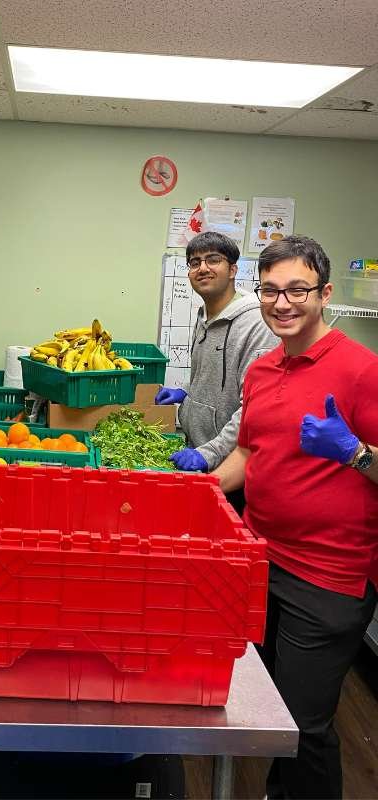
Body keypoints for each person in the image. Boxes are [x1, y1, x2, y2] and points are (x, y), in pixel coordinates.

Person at [213, 235, 378, 800]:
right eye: (271, 291)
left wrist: (355, 453)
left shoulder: (362, 370)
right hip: (261, 562)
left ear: (325, 293)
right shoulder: (261, 371)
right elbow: (249, 452)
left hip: (328, 575)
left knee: (305, 726)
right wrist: (200, 491)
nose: (282, 304)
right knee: (265, 705)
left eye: (297, 291)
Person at [155, 232, 278, 513]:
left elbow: (253, 408)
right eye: (194, 262)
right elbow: (207, 371)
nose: (202, 268)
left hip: (230, 468)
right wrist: (185, 390)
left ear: (233, 269)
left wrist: (207, 454)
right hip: (196, 448)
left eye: (213, 260)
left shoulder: (257, 325)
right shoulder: (204, 316)